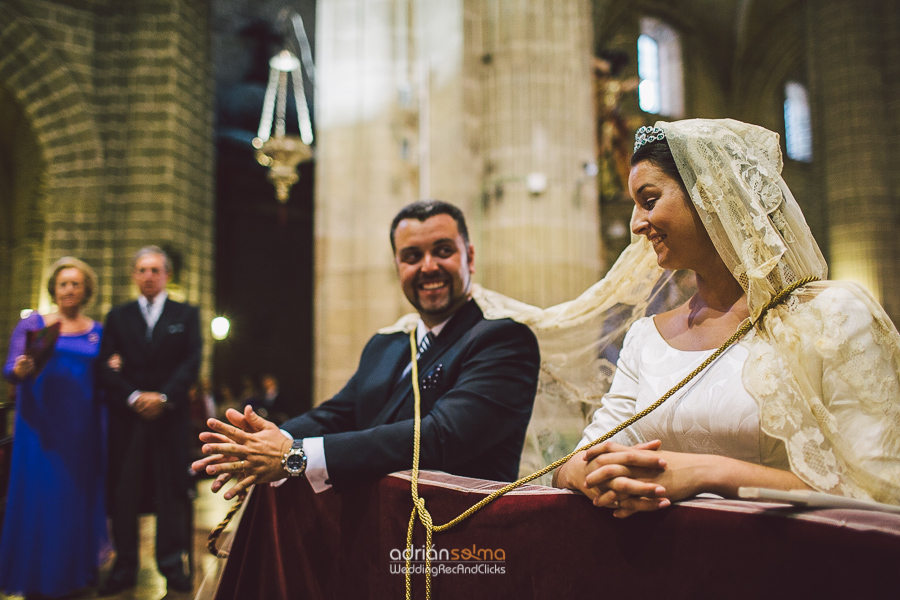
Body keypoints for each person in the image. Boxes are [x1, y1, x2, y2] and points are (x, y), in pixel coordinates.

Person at [547, 119, 900, 515]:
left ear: (710, 196)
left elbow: (879, 491)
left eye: (649, 201)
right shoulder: (646, 338)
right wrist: (587, 474)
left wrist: (707, 473)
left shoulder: (833, 315)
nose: (636, 224)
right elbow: (574, 462)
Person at [192, 200, 540, 498]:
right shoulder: (386, 344)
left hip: (459, 545)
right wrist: (268, 440)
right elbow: (339, 414)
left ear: (470, 257)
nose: (429, 266)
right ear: (397, 266)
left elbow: (441, 437)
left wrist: (294, 454)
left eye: (444, 251)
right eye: (412, 256)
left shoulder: (503, 341)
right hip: (374, 539)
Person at [0, 257, 108, 598]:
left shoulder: (98, 332)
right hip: (42, 429)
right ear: (54, 289)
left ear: (86, 290)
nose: (69, 289)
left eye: (76, 283)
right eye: (63, 283)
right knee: (41, 499)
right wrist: (20, 367)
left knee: (74, 500)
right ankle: (38, 575)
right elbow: (10, 370)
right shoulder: (35, 324)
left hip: (82, 431)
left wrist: (114, 366)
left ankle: (73, 572)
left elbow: (106, 378)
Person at [98, 246, 202, 595]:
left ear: (166, 275)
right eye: (142, 270)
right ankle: (125, 564)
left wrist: (164, 397)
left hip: (169, 418)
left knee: (170, 492)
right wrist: (133, 396)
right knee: (124, 493)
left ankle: (172, 565)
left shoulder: (186, 315)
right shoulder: (118, 316)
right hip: (128, 418)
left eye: (155, 270)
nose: (148, 276)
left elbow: (191, 362)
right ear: (134, 275)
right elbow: (105, 365)